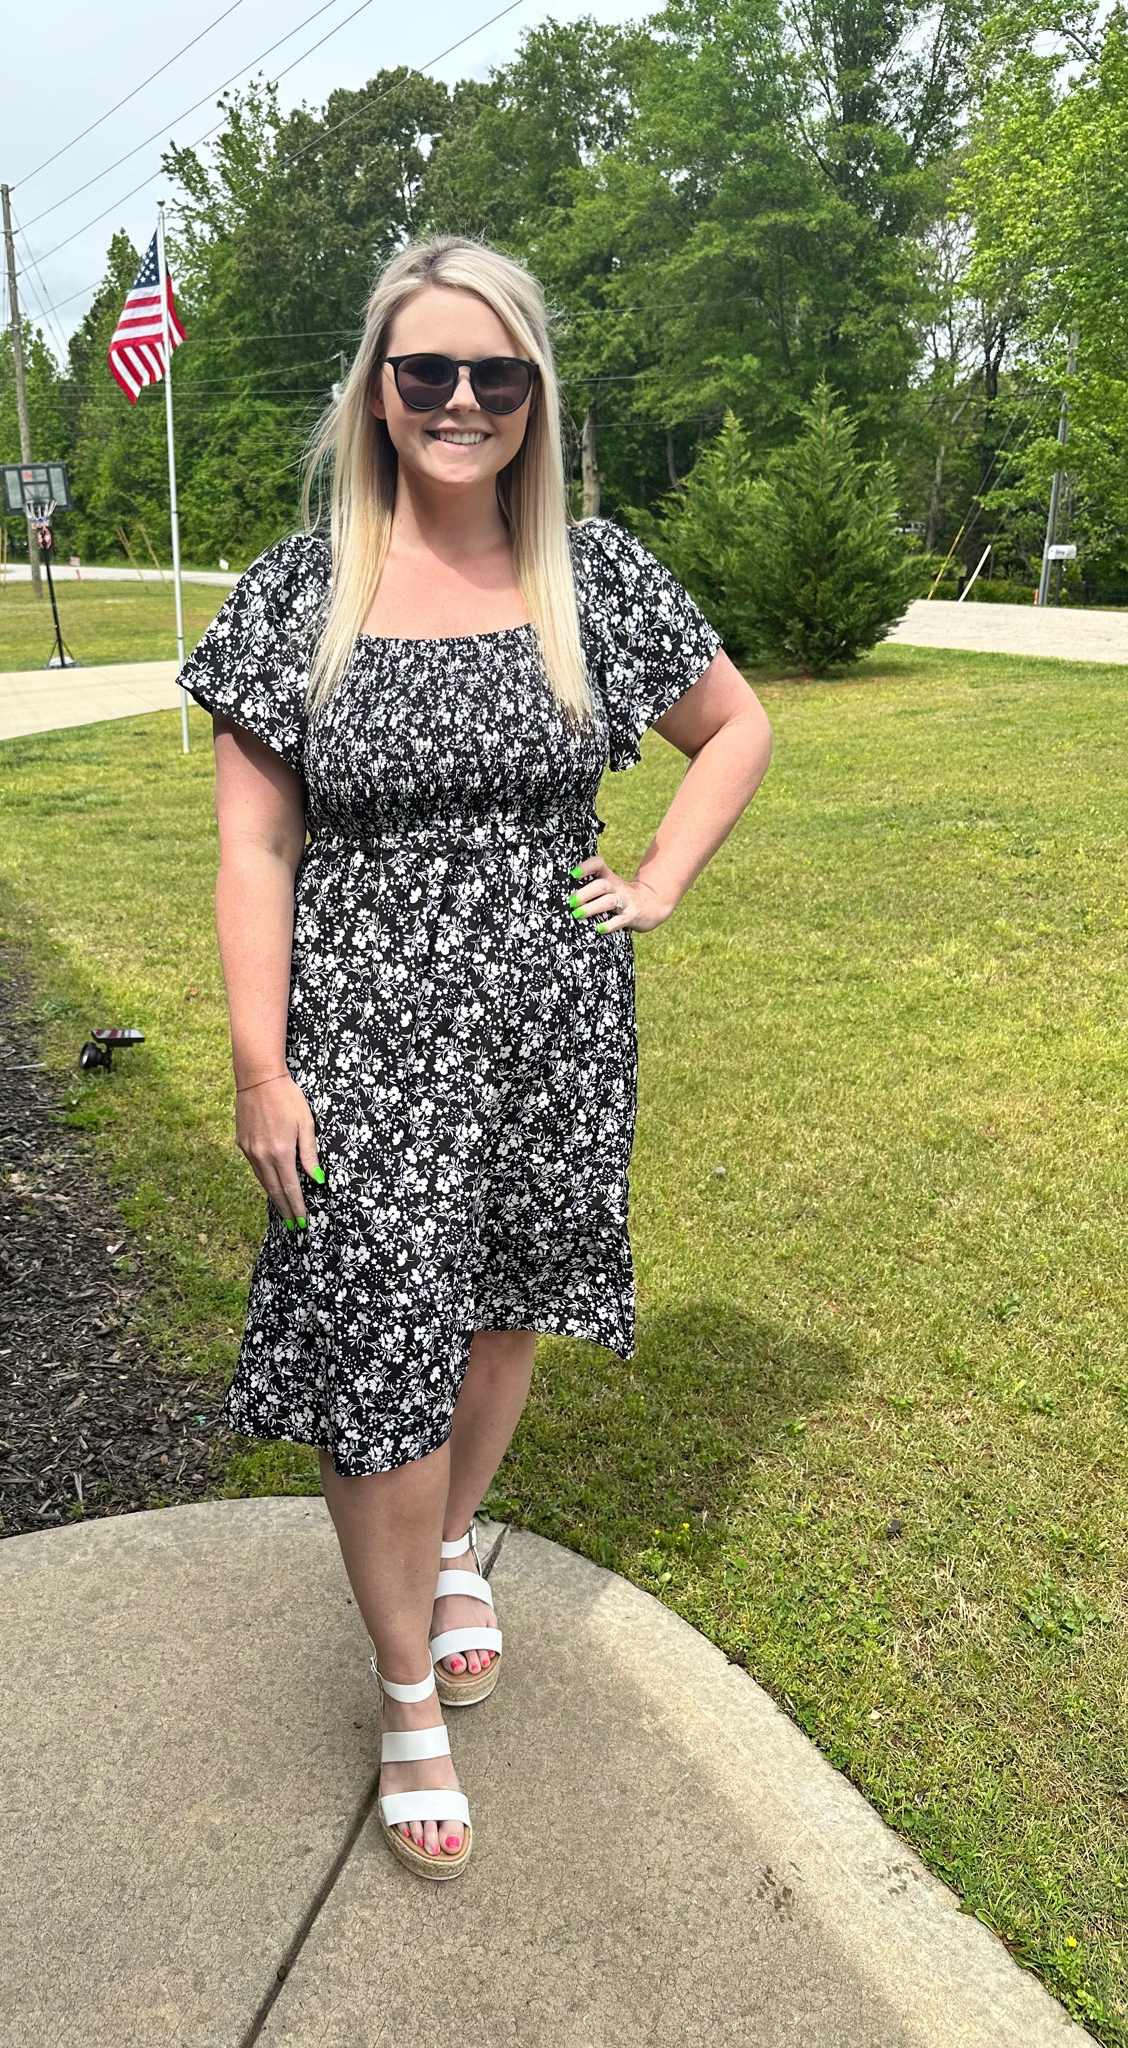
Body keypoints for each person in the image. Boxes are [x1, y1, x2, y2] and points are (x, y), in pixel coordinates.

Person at [180, 235, 771, 1881]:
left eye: (495, 374)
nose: (461, 400)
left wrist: (659, 880)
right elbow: (254, 852)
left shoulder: (594, 574)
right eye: (428, 369)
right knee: (380, 1346)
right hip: (362, 1038)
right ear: (377, 390)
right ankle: (401, 1696)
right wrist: (260, 1069)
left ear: (533, 397)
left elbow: (738, 727)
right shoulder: (298, 593)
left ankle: (452, 1550)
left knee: (503, 1306)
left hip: (549, 1023)